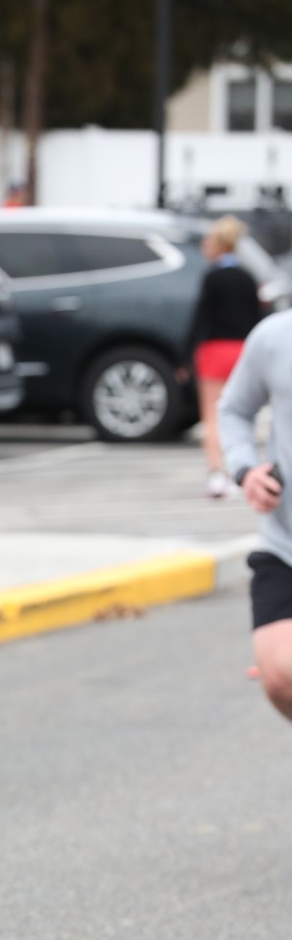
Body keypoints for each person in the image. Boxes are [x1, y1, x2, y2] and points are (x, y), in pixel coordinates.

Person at [219, 307, 292, 721]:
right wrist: (247, 471)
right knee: (281, 679)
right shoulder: (275, 337)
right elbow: (234, 408)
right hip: (285, 542)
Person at [180, 216, 260, 498]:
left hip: (214, 351)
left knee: (212, 416)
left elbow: (200, 319)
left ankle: (217, 474)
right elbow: (257, 318)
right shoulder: (248, 278)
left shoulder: (212, 277)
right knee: (242, 413)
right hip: (243, 351)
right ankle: (243, 470)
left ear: (219, 244)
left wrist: (185, 356)